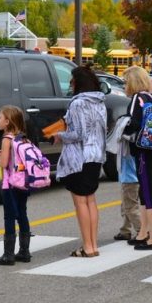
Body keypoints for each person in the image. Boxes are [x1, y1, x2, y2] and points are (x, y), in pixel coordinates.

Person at [54, 65, 107, 257]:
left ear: (78, 82)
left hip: (79, 157)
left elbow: (78, 134)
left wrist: (60, 135)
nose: (70, 84)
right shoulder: (99, 102)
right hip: (96, 155)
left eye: (72, 80)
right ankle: (93, 245)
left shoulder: (77, 103)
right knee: (91, 200)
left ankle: (87, 246)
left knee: (80, 203)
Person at [123, 66, 152, 250]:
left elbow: (134, 123)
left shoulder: (136, 99)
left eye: (126, 81)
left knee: (148, 194)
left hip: (143, 152)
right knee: (144, 192)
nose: (125, 85)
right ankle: (143, 234)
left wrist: (122, 132)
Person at [0, 106, 32, 265]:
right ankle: (24, 251)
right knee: (22, 214)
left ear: (7, 122)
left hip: (10, 184)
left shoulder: (6, 139)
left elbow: (3, 163)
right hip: (23, 182)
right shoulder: (23, 138)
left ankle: (8, 255)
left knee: (9, 216)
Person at [113, 153, 142, 241]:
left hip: (129, 179)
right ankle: (125, 231)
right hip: (128, 178)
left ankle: (142, 231)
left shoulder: (127, 143)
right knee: (125, 205)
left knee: (130, 207)